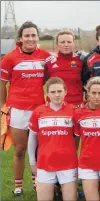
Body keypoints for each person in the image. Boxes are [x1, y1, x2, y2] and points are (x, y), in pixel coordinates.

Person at [0, 21, 52, 196]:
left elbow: (48, 79)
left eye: (33, 35)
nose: (30, 39)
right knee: (20, 149)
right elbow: (2, 84)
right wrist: (3, 106)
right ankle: (18, 187)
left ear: (38, 37)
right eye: (27, 36)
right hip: (18, 110)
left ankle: (37, 183)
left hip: (39, 109)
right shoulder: (9, 58)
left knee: (38, 149)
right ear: (20, 38)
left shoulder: (45, 56)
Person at [27, 77, 78, 201]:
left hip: (68, 164)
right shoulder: (38, 112)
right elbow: (32, 138)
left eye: (59, 91)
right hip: (45, 163)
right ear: (47, 94)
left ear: (65, 91)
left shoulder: (74, 111)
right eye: (53, 92)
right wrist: (32, 162)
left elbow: (78, 137)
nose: (56, 95)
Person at [44, 30, 84, 107]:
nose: (66, 45)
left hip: (76, 105)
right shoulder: (49, 62)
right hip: (55, 106)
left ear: (73, 44)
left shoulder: (81, 60)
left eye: (69, 42)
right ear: (57, 44)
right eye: (62, 42)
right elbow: (42, 83)